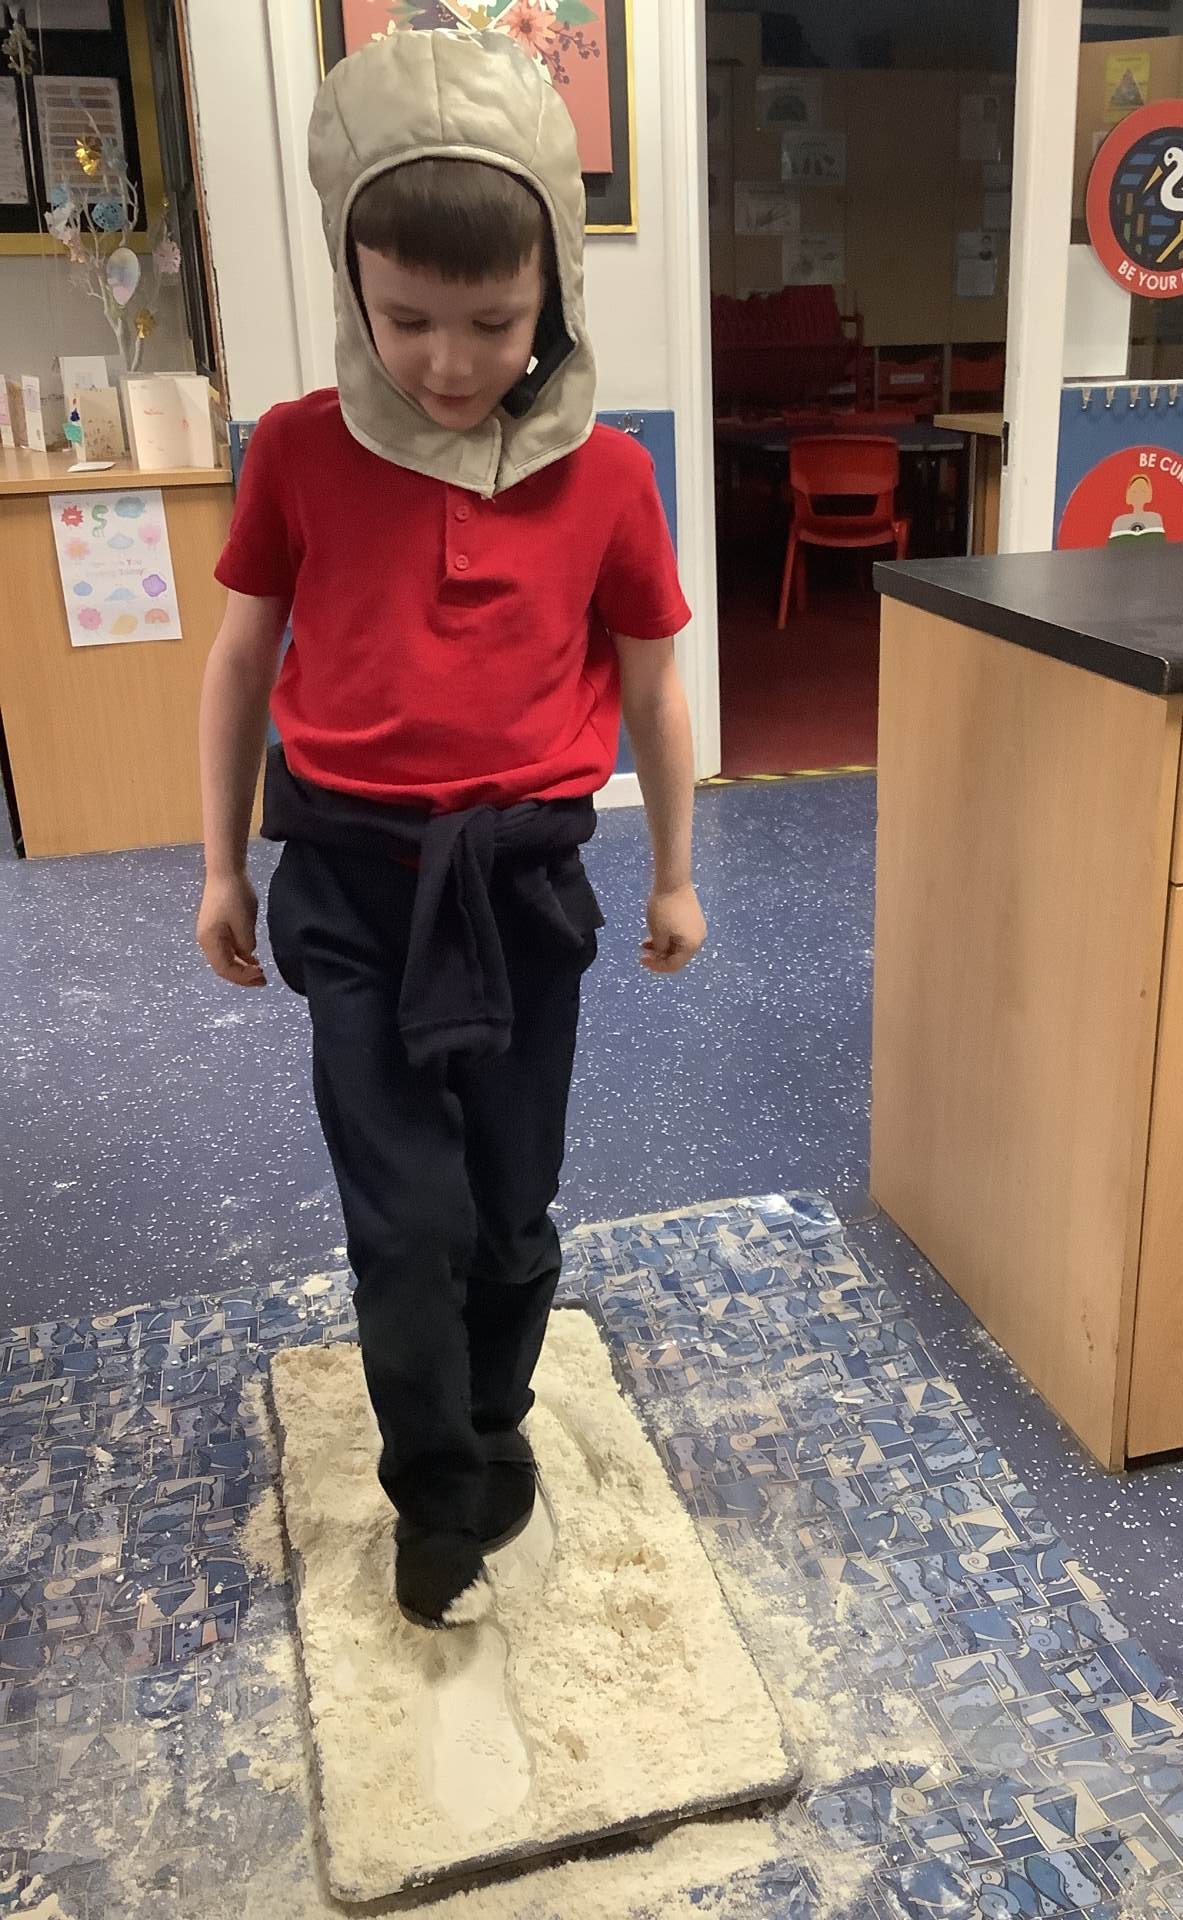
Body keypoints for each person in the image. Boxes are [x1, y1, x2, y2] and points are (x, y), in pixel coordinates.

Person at [195, 29, 706, 1628]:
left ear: (553, 286)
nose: (447, 361)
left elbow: (653, 685)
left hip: (524, 887)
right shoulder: (296, 449)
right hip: (349, 884)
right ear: (354, 285)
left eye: (491, 322)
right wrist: (218, 864)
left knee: (510, 1210)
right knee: (406, 1225)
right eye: (405, 318)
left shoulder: (609, 477)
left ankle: (492, 1419)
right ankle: (435, 1493)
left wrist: (677, 872)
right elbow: (240, 661)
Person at [1108, 472, 1167, 545]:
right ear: (1129, 494)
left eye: (1143, 491)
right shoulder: (1119, 521)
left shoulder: (1155, 518)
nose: (1138, 495)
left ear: (1148, 494)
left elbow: (1160, 543)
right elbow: (1113, 546)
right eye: (1134, 492)